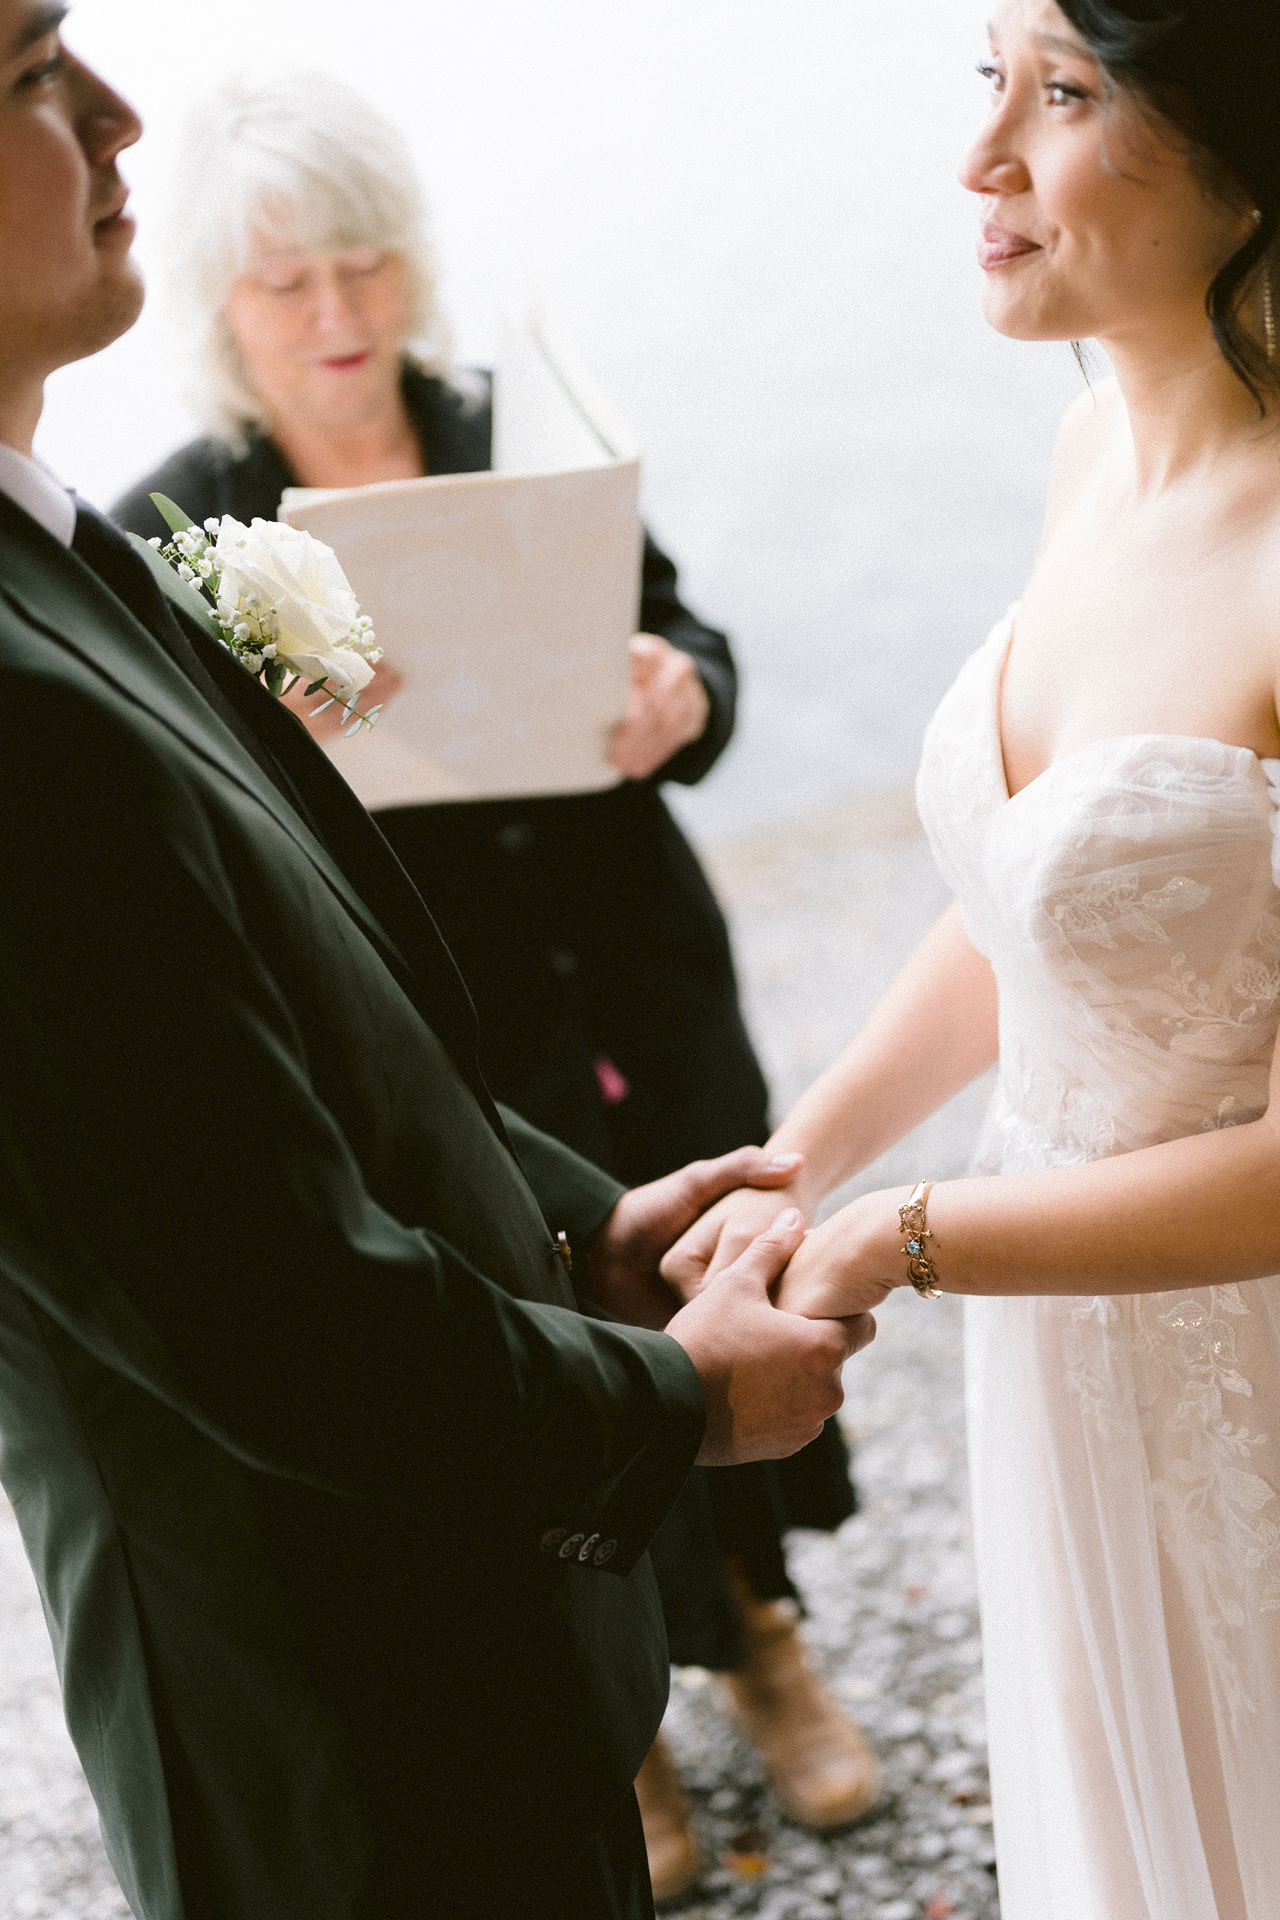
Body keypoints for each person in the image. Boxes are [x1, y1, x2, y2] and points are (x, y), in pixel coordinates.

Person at [0, 11, 875, 1919]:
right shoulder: (111, 591)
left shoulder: (82, 550)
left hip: (593, 1011)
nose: (114, 109)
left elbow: (281, 1072)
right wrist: (674, 1403)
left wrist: (578, 1224)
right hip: (320, 1669)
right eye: (29, 67)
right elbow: (253, 1287)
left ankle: (759, 1646)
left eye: (361, 260)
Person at [664, 4, 1280, 1916]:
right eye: (986, 79)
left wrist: (903, 1239)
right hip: (1074, 1359)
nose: (982, 158)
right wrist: (810, 1154)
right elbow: (1042, 899)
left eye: (1069, 93)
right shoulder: (1096, 447)